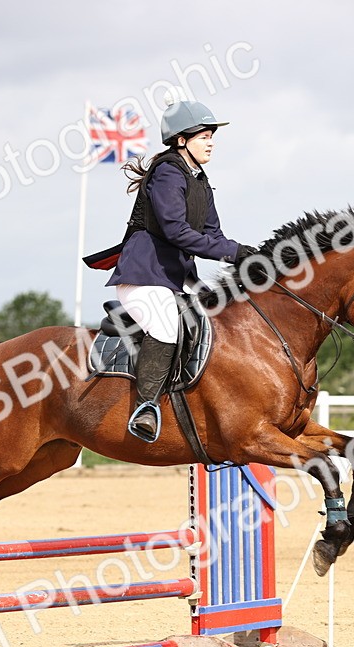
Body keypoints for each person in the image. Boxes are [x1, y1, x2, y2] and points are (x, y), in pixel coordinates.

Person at [107, 98, 259, 442]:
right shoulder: (167, 173)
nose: (211, 142)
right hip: (143, 276)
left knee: (223, 317)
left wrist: (248, 256)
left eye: (211, 136)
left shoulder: (200, 180)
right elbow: (177, 232)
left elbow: (212, 235)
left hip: (177, 278)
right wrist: (233, 252)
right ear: (181, 140)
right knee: (166, 327)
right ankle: (145, 407)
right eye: (204, 135)